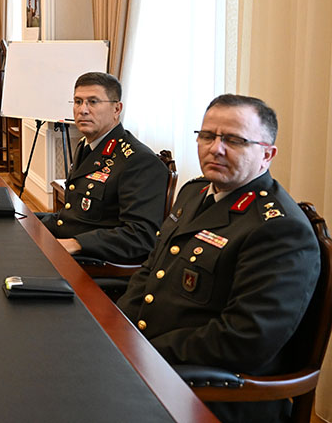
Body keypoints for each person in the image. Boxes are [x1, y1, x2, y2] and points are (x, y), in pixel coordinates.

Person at [118, 94, 320, 423]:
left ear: (267, 154)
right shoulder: (196, 192)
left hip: (213, 392)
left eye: (234, 140)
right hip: (155, 365)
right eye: (208, 136)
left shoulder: (278, 229)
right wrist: (116, 329)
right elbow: (150, 271)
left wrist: (145, 350)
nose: (216, 148)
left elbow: (244, 340)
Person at [41, 72, 168, 262]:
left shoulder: (138, 161)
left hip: (93, 264)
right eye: (78, 101)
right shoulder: (88, 145)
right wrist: (27, 221)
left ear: (117, 109)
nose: (83, 110)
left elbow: (141, 236)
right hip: (68, 250)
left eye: (93, 102)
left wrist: (75, 243)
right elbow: (73, 214)